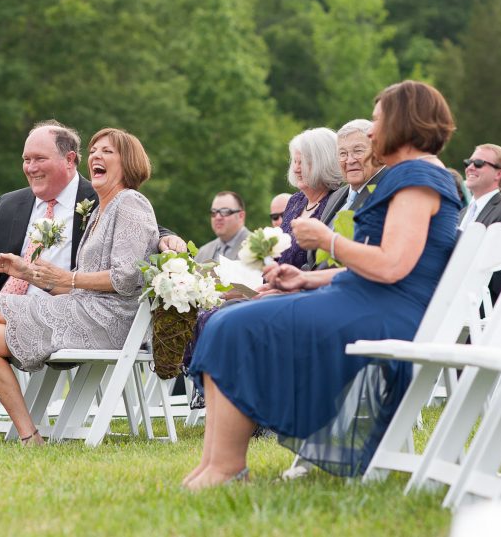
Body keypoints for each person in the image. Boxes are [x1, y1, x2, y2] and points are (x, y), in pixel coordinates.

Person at [184, 80, 461, 488]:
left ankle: (227, 469)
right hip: (369, 298)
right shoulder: (411, 174)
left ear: (403, 122)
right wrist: (307, 276)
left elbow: (391, 266)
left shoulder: (418, 177)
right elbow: (391, 263)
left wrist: (327, 240)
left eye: (378, 120)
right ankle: (214, 466)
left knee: (232, 326)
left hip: (387, 313)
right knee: (228, 320)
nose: (370, 132)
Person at [0, 123, 182, 445]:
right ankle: (28, 437)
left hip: (104, 319)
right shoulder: (90, 207)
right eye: (95, 150)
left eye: (107, 151)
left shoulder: (119, 201)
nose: (96, 156)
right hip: (76, 306)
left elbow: (136, 256)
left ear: (69, 160)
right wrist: (19, 275)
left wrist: (169, 240)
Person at [306, 119, 385, 269]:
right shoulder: (336, 196)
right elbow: (314, 263)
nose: (349, 160)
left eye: (358, 151)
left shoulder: (384, 193)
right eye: (343, 154)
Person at [276, 128, 342, 269]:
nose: (296, 169)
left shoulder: (337, 203)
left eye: (303, 162)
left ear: (324, 164)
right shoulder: (295, 201)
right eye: (295, 161)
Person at [458, 144, 501, 231]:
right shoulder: (461, 213)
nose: (470, 167)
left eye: (478, 163)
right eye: (468, 163)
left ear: (498, 174)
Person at [195, 192, 250, 263]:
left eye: (225, 211)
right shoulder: (203, 253)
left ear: (241, 216)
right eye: (214, 212)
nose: (218, 217)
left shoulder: (258, 249)